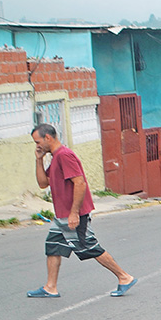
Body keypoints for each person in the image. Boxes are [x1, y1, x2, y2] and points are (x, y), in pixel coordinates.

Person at [28, 123, 136, 298]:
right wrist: (39, 159)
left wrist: (74, 213)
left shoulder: (65, 155)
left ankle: (124, 277)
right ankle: (50, 287)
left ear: (48, 138)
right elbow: (43, 183)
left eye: (37, 141)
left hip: (73, 213)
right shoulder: (55, 157)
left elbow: (79, 183)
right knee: (53, 246)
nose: (37, 145)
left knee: (89, 246)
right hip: (61, 215)